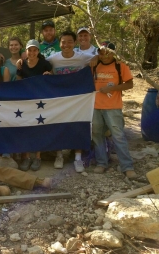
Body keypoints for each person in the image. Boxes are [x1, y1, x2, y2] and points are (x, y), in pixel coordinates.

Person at [47, 30, 95, 172]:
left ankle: (78, 158)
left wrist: (97, 58)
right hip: (59, 99)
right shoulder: (53, 59)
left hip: (78, 100)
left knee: (78, 126)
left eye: (69, 42)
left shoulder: (83, 57)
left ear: (75, 43)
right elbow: (39, 63)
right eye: (63, 42)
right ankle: (59, 155)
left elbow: (99, 56)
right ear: (59, 43)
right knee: (58, 125)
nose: (66, 45)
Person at [91, 46, 137, 179]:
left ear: (113, 53)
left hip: (113, 107)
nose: (105, 56)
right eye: (101, 53)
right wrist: (94, 57)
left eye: (108, 53)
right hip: (95, 106)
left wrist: (113, 89)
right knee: (97, 134)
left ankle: (127, 166)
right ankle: (101, 163)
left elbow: (129, 84)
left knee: (118, 136)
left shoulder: (120, 66)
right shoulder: (94, 65)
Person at [17, 40, 52, 171]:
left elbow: (52, 75)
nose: (32, 52)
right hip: (25, 101)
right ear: (26, 51)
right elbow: (18, 81)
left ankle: (37, 157)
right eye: (29, 50)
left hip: (40, 101)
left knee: (39, 128)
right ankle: (26, 157)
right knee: (25, 127)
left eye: (34, 50)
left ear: (38, 51)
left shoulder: (44, 63)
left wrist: (49, 75)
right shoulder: (21, 65)